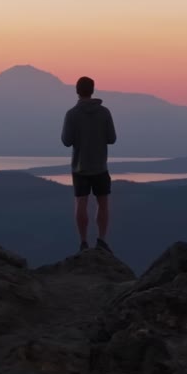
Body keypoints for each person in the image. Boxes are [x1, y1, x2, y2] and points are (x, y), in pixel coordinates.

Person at [61, 76, 117, 253]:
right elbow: (112, 138)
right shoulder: (105, 112)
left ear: (77, 91)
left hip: (80, 167)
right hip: (100, 165)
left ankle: (83, 242)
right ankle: (101, 239)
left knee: (81, 203)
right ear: (92, 90)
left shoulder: (72, 114)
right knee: (103, 203)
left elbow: (66, 141)